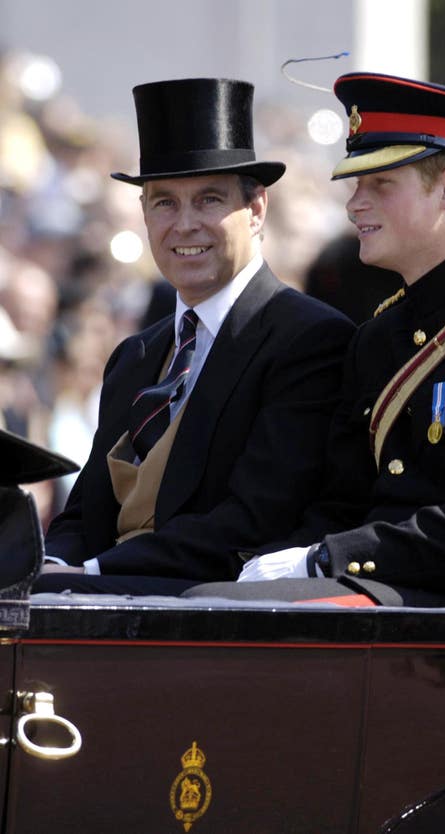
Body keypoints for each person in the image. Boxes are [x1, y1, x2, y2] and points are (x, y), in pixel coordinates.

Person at [187, 72, 445, 607]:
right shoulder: (380, 335)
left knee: (216, 615)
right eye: (357, 185)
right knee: (200, 600)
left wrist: (323, 559)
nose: (354, 204)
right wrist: (275, 558)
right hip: (384, 591)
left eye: (380, 184)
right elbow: (340, 503)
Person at [33, 77, 354, 596]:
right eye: (164, 203)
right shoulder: (135, 355)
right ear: (142, 214)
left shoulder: (308, 340)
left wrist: (92, 574)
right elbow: (83, 515)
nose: (184, 225)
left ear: (256, 210)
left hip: (215, 629)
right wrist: (47, 568)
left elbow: (257, 520)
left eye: (207, 200)